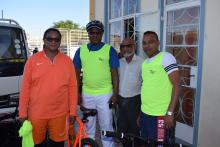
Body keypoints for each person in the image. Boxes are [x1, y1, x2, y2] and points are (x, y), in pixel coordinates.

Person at [19, 28, 78, 147]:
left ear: (60, 41)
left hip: (60, 114)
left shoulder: (67, 61)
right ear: (44, 40)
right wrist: (22, 113)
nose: (53, 42)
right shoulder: (32, 61)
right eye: (49, 39)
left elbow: (73, 87)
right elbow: (25, 88)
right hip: (36, 114)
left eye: (56, 39)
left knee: (58, 144)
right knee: (36, 144)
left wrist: (73, 111)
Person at [73, 20, 119, 147]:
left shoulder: (109, 50)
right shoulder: (80, 51)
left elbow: (115, 73)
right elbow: (75, 74)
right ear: (88, 34)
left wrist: (115, 93)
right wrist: (77, 92)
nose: (94, 35)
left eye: (97, 32)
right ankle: (89, 144)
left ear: (102, 33)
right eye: (91, 32)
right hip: (87, 94)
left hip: (105, 94)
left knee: (106, 126)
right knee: (88, 127)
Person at [140, 31, 180, 143]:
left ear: (158, 43)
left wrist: (170, 113)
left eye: (150, 42)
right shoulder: (145, 63)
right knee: (146, 142)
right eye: (144, 43)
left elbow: (177, 86)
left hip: (160, 115)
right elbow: (146, 87)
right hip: (145, 114)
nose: (147, 46)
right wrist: (141, 113)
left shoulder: (166, 57)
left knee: (160, 144)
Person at [117, 38, 143, 146]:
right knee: (122, 130)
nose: (125, 49)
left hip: (134, 101)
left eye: (128, 46)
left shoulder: (142, 62)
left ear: (134, 47)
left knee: (135, 131)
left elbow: (145, 84)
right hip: (120, 101)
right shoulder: (119, 62)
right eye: (123, 46)